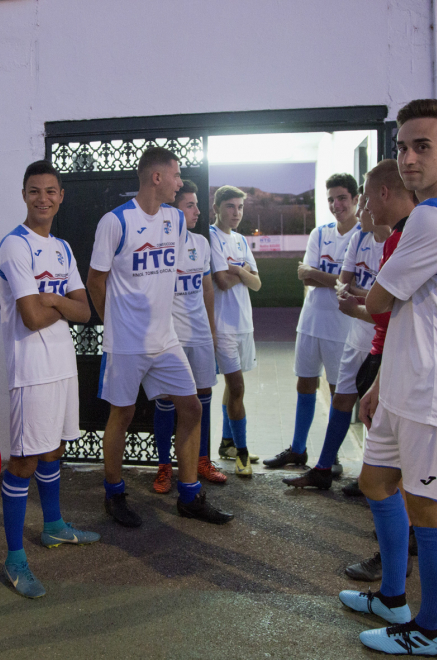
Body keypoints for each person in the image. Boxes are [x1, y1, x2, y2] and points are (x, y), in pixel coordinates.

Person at [339, 99, 437, 656]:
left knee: (429, 510)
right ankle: (391, 598)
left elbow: (379, 300)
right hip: (405, 386)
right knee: (375, 482)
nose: (408, 158)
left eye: (422, 146)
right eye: (402, 147)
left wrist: (362, 296)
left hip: (436, 395)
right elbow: (407, 313)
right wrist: (379, 382)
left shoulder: (435, 218)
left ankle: (429, 631)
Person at [87, 146, 233, 527]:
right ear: (156, 177)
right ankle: (114, 492)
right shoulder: (115, 222)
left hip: (165, 340)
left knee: (192, 407)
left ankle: (189, 495)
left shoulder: (175, 219)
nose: (180, 180)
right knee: (122, 414)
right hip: (127, 344)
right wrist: (112, 325)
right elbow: (95, 281)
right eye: (176, 174)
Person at [0, 160, 100, 598]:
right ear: (24, 194)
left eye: (51, 191)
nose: (43, 198)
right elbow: (32, 317)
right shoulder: (15, 246)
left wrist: (52, 296)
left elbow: (86, 310)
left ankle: (53, 526)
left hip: (62, 364)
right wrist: (58, 305)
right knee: (23, 460)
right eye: (35, 191)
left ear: (60, 197)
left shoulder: (61, 248)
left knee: (54, 448)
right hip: (31, 369)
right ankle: (14, 557)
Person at [340, 160, 419, 581]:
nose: (364, 206)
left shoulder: (406, 240)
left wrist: (359, 304)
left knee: (387, 477)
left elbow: (382, 308)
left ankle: (396, 558)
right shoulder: (408, 236)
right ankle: (399, 558)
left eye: (366, 197)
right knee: (390, 476)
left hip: (397, 362)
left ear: (383, 195)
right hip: (391, 360)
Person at [283, 187, 388, 490]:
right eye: (331, 199)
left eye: (362, 201)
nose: (362, 208)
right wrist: (361, 293)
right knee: (340, 398)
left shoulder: (397, 240)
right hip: (354, 331)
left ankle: (370, 475)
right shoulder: (359, 238)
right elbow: (344, 284)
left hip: (375, 335)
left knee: (376, 408)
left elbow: (386, 300)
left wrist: (357, 293)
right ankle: (322, 467)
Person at [265, 174, 358, 473]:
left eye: (342, 197)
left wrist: (321, 275)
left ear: (355, 199)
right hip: (310, 321)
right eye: (331, 199)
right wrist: (334, 280)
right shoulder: (320, 232)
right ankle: (298, 450)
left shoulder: (362, 236)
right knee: (304, 384)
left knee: (336, 393)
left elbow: (350, 285)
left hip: (341, 327)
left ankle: (332, 457)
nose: (335, 204)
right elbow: (304, 276)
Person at [152, 179, 226, 493]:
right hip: (169, 338)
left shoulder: (201, 243)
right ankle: (164, 467)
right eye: (189, 205)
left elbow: (207, 288)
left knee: (203, 398)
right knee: (167, 401)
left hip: (199, 337)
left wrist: (210, 328)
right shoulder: (159, 245)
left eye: (196, 204)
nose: (197, 211)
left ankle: (202, 459)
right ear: (172, 211)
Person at [209, 185, 262, 477]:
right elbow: (222, 281)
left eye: (240, 208)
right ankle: (242, 454)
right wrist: (243, 273)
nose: (236, 213)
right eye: (230, 206)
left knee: (234, 386)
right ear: (216, 207)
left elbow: (256, 283)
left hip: (244, 324)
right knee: (237, 386)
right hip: (224, 326)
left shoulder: (241, 240)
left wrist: (239, 269)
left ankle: (228, 443)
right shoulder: (211, 236)